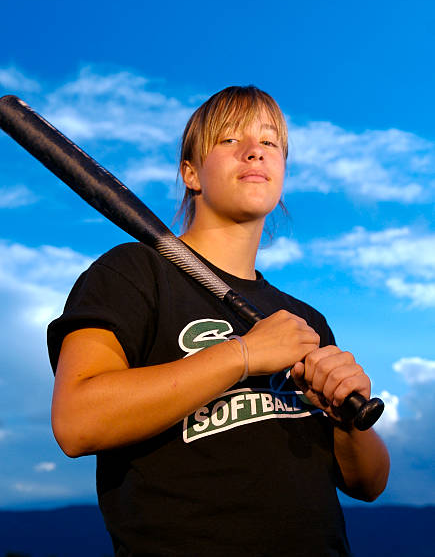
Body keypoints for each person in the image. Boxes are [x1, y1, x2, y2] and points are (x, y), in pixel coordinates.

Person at [48, 86, 389, 556]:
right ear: (191, 173)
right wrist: (243, 354)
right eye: (229, 140)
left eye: (270, 143)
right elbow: (77, 422)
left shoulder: (302, 321)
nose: (254, 151)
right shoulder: (134, 273)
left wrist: (349, 419)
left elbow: (367, 484)